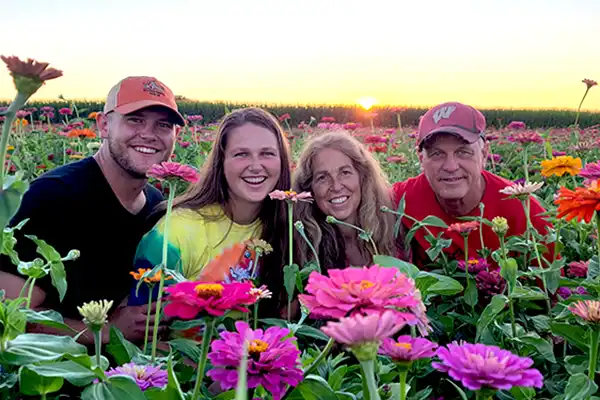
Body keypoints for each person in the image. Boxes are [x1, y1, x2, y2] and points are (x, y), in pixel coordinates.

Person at [0, 76, 184, 345]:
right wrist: (106, 331)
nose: (149, 134)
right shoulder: (51, 198)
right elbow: (10, 315)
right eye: (135, 119)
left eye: (163, 125)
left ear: (175, 136)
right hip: (54, 378)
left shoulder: (156, 205)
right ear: (104, 125)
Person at [131, 107, 292, 315]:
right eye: (241, 154)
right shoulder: (176, 232)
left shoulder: (286, 227)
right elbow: (143, 332)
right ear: (221, 163)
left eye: (267, 153)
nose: (255, 165)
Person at [391, 101, 554, 269]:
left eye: (463, 152)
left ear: (484, 153)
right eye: (437, 154)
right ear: (421, 158)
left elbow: (551, 290)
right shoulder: (398, 200)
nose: (450, 166)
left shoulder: (525, 211)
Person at [292, 130, 402, 269]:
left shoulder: (397, 225)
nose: (336, 186)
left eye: (345, 173)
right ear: (309, 189)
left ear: (362, 177)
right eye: (322, 178)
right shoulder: (301, 246)